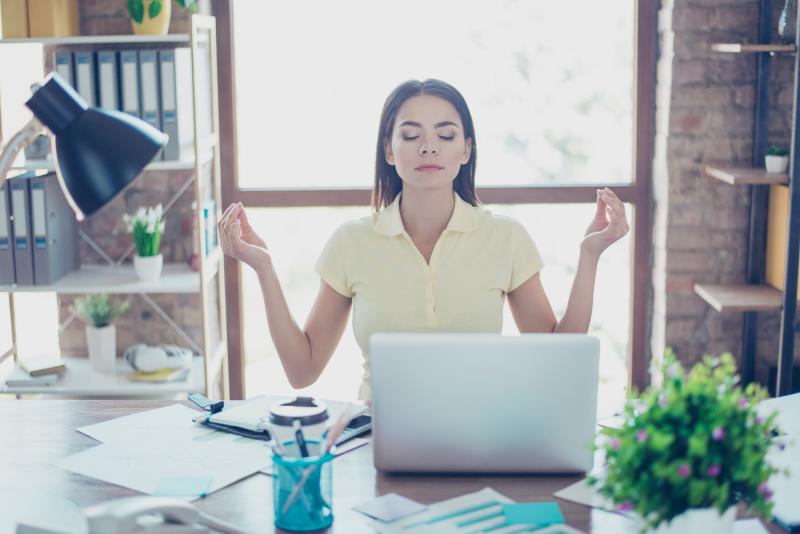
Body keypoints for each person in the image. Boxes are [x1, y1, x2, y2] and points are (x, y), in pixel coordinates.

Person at [218, 79, 629, 401]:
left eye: (446, 136)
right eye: (410, 135)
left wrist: (589, 255)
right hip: (379, 439)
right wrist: (264, 267)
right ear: (389, 151)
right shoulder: (351, 242)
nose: (428, 146)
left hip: (482, 433)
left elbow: (555, 360)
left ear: (467, 150)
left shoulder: (506, 238)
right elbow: (301, 370)